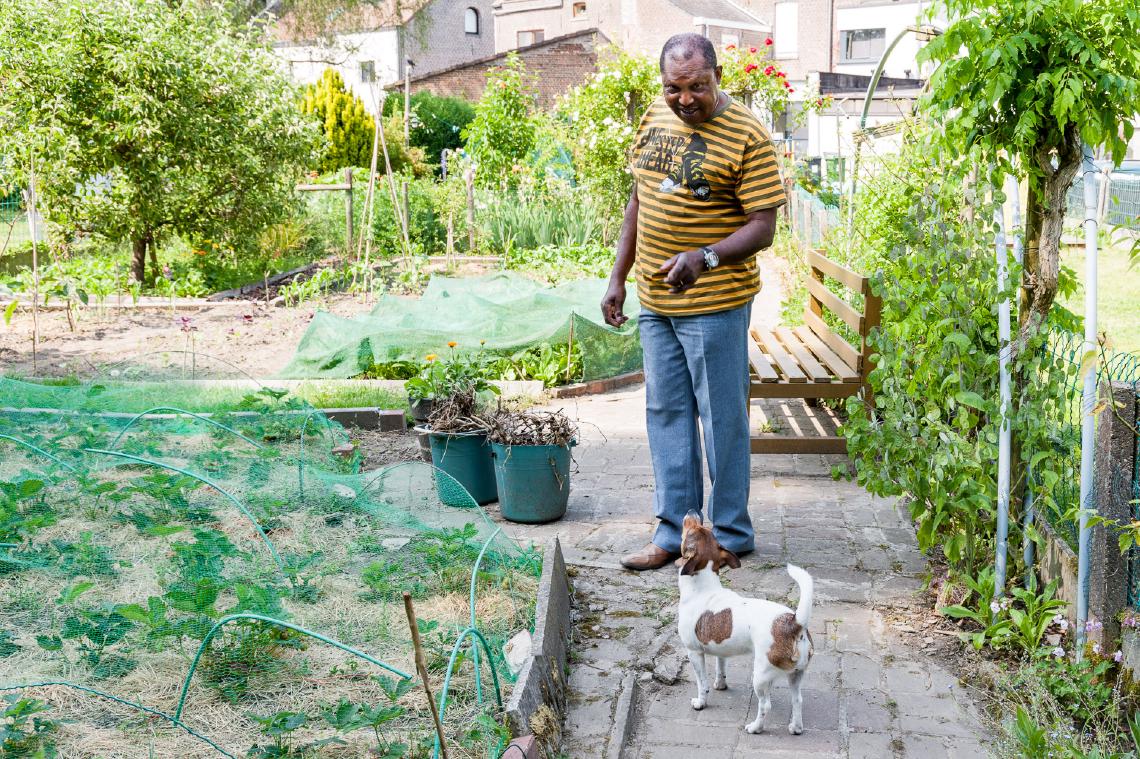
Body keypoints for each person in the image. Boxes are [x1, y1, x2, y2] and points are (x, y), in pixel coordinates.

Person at [601, 32, 786, 570]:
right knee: (666, 413)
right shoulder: (655, 118)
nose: (684, 99)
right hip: (656, 303)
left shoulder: (747, 133)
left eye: (696, 87)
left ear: (718, 77)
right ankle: (673, 533)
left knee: (721, 418)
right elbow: (638, 199)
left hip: (716, 303)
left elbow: (764, 227)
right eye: (673, 88)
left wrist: (704, 257)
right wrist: (619, 276)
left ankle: (729, 534)